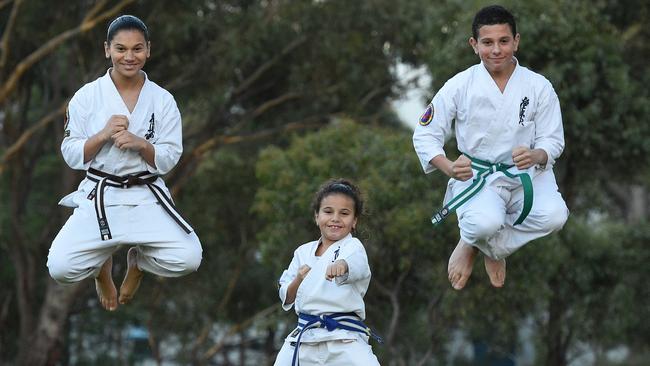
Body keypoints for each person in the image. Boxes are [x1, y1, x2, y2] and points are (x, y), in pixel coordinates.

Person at [47, 15, 202, 311]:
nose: (129, 57)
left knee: (189, 258)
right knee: (61, 268)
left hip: (146, 195)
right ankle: (101, 268)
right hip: (101, 195)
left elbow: (169, 157)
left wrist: (141, 144)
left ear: (148, 50)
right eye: (121, 49)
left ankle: (139, 263)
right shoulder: (86, 97)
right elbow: (71, 152)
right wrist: (103, 135)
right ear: (107, 49)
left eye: (137, 49)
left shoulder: (163, 100)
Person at [412, 5, 569, 290]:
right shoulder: (459, 85)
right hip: (478, 176)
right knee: (485, 222)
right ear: (474, 45)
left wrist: (537, 154)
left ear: (516, 41)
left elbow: (553, 139)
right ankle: (480, 238)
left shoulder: (538, 86)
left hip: (526, 175)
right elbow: (424, 134)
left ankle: (486, 247)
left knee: (556, 216)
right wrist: (449, 167)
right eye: (487, 42)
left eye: (504, 41)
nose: (496, 50)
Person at [273, 179, 381, 366]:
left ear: (354, 221)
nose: (335, 218)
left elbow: (359, 266)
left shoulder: (353, 247)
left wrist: (343, 265)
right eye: (328, 211)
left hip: (344, 338)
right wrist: (299, 279)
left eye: (344, 213)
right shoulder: (302, 252)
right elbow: (287, 297)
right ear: (317, 216)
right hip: (304, 338)